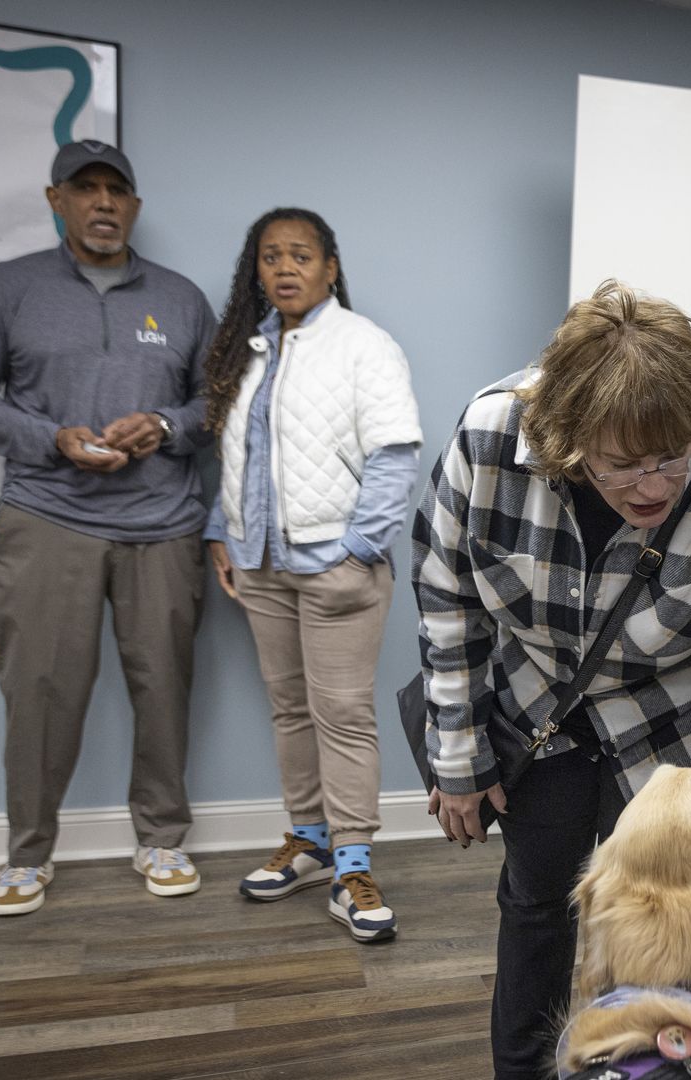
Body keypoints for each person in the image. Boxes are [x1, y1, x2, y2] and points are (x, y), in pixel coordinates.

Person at [414, 280, 691, 1079]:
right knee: (535, 905)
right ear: (567, 439)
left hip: (675, 728)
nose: (653, 486)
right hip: (541, 713)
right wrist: (457, 761)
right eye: (623, 464)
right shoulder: (490, 437)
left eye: (673, 457)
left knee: (675, 926)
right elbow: (448, 602)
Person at [0, 140, 216, 915]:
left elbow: (219, 403)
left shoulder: (183, 298)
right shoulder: (9, 288)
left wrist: (164, 423)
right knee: (41, 691)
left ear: (134, 206)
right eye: (85, 188)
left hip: (161, 524)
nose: (102, 203)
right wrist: (50, 436)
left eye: (116, 191)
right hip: (46, 516)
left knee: (163, 687)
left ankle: (162, 838)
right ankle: (27, 855)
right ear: (55, 199)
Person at [201, 208, 421, 943]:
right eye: (270, 256)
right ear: (255, 270)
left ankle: (353, 865)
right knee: (290, 711)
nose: (285, 268)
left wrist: (358, 549)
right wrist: (220, 531)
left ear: (330, 266)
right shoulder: (249, 350)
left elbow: (395, 455)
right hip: (260, 567)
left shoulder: (363, 345)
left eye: (300, 254)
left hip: (335, 571)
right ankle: (308, 838)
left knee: (343, 716)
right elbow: (235, 456)